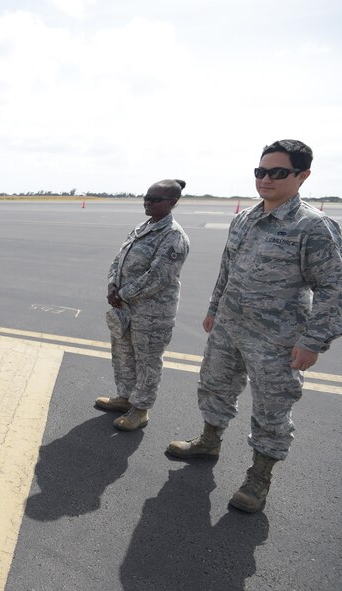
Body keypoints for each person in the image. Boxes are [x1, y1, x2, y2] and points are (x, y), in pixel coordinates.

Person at [167, 140, 342, 514]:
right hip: (230, 326)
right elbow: (227, 268)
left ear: (302, 176)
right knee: (214, 385)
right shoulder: (245, 218)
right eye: (260, 172)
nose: (266, 179)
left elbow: (334, 288)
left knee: (272, 408)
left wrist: (313, 340)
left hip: (277, 338)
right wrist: (215, 308)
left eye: (277, 173)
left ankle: (259, 477)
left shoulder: (314, 227)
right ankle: (209, 440)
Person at [95, 179, 190, 431]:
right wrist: (112, 285)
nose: (148, 202)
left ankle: (140, 409)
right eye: (146, 197)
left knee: (147, 361)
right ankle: (125, 397)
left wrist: (123, 294)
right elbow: (119, 259)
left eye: (156, 199)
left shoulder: (173, 236)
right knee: (123, 353)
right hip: (125, 306)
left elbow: (158, 276)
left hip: (152, 313)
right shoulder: (142, 227)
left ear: (172, 203)